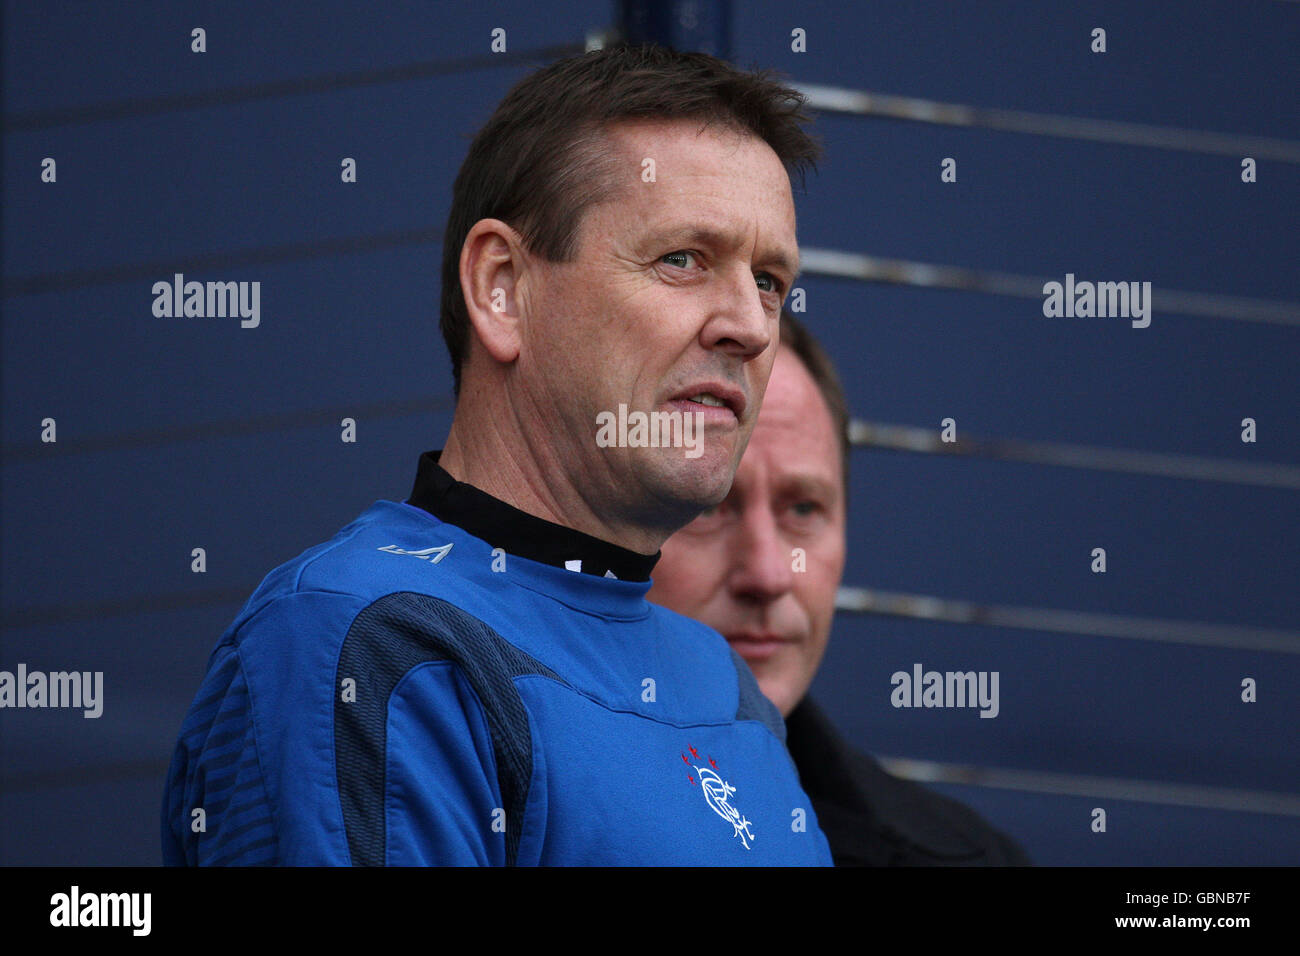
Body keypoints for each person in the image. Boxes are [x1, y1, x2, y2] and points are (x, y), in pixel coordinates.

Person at [161, 44, 832, 865]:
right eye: (683, 259)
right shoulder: (368, 638)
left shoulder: (721, 687)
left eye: (768, 279)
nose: (752, 325)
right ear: (502, 288)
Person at [647, 310, 1032, 865]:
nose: (768, 574)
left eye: (803, 508)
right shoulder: (504, 808)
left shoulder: (967, 858)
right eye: (710, 507)